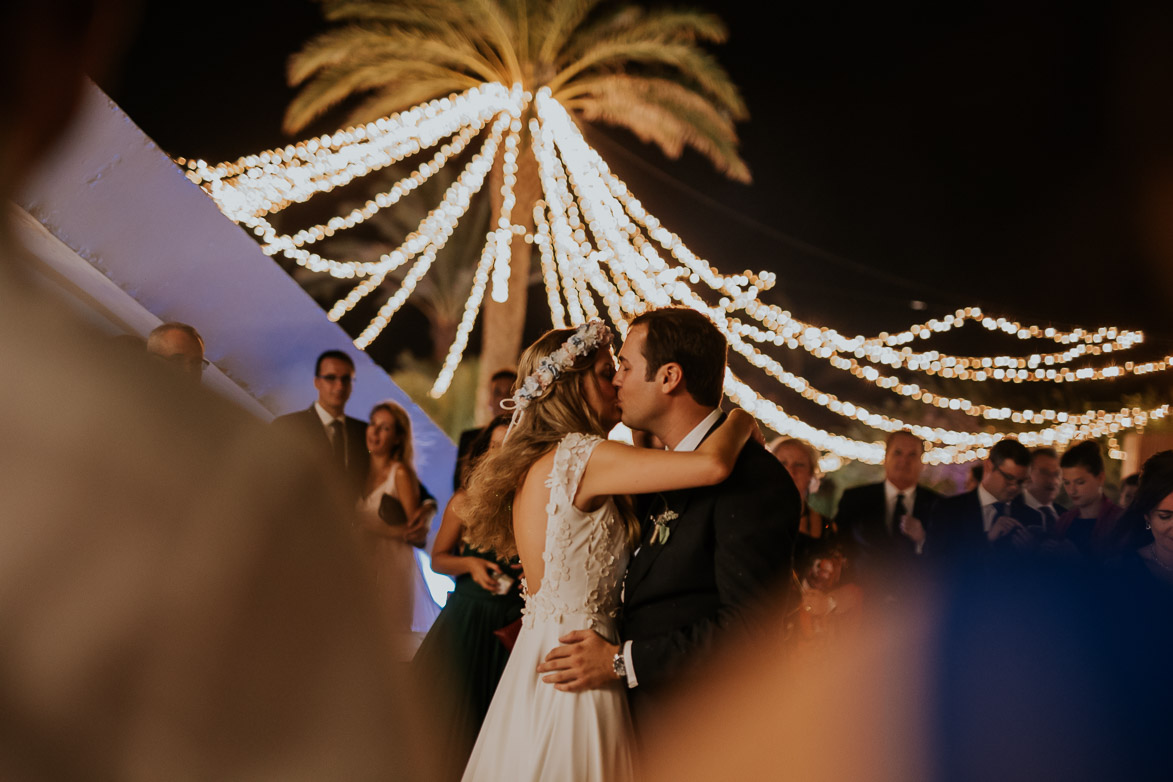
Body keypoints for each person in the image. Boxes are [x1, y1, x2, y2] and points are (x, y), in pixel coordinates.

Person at [458, 319, 762, 782]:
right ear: (572, 386)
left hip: (544, 651)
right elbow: (712, 464)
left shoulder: (547, 460)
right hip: (584, 656)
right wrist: (740, 418)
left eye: (620, 368)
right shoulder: (582, 457)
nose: (618, 380)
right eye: (606, 372)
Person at [535, 307, 800, 745]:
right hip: (639, 723)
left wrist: (621, 662)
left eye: (625, 366)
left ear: (669, 377)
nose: (617, 380)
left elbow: (751, 631)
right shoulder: (662, 471)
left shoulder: (752, 479)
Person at [415, 415, 522, 781]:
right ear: (484, 453)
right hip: (467, 619)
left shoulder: (533, 501)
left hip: (514, 623)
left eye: (512, 445)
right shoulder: (465, 500)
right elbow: (439, 558)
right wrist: (472, 565)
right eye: (496, 446)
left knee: (495, 726)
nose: (503, 454)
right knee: (449, 720)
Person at [357, 400, 440, 656]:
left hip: (392, 562)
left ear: (397, 437)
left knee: (388, 638)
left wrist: (427, 510)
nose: (375, 432)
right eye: (373, 424)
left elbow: (412, 530)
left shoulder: (401, 473)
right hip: (362, 558)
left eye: (385, 428)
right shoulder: (358, 468)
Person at [834, 430, 940, 589]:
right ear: (885, 458)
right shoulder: (855, 499)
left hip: (918, 600)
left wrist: (923, 539)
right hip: (863, 597)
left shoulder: (938, 505)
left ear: (922, 463)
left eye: (912, 455)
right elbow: (838, 545)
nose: (904, 460)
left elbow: (948, 556)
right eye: (897, 453)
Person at [271, 350, 370, 498]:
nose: (339, 386)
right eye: (331, 378)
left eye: (346, 379)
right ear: (317, 382)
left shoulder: (364, 434)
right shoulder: (288, 426)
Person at [924, 438, 1035, 561]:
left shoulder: (1030, 517)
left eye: (1020, 482)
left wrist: (1032, 552)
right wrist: (987, 539)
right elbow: (936, 562)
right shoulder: (949, 510)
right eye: (1008, 478)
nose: (1014, 487)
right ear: (988, 466)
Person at [1053, 440, 1127, 560]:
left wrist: (1076, 558)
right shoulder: (1064, 520)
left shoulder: (1119, 521)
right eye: (1066, 483)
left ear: (1100, 478)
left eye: (1080, 482)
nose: (1072, 490)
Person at [770, 437, 836, 570]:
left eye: (799, 464)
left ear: (811, 473)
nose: (791, 471)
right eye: (783, 463)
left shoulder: (827, 527)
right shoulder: (754, 518)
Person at [453, 369, 517, 489]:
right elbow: (458, 485)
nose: (503, 398)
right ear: (490, 400)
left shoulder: (525, 437)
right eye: (498, 393)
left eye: (509, 392)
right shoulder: (469, 438)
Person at [1011, 447, 1065, 532]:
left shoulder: (1066, 515)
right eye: (1044, 472)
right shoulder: (1009, 512)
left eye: (1057, 474)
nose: (1052, 481)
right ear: (1027, 474)